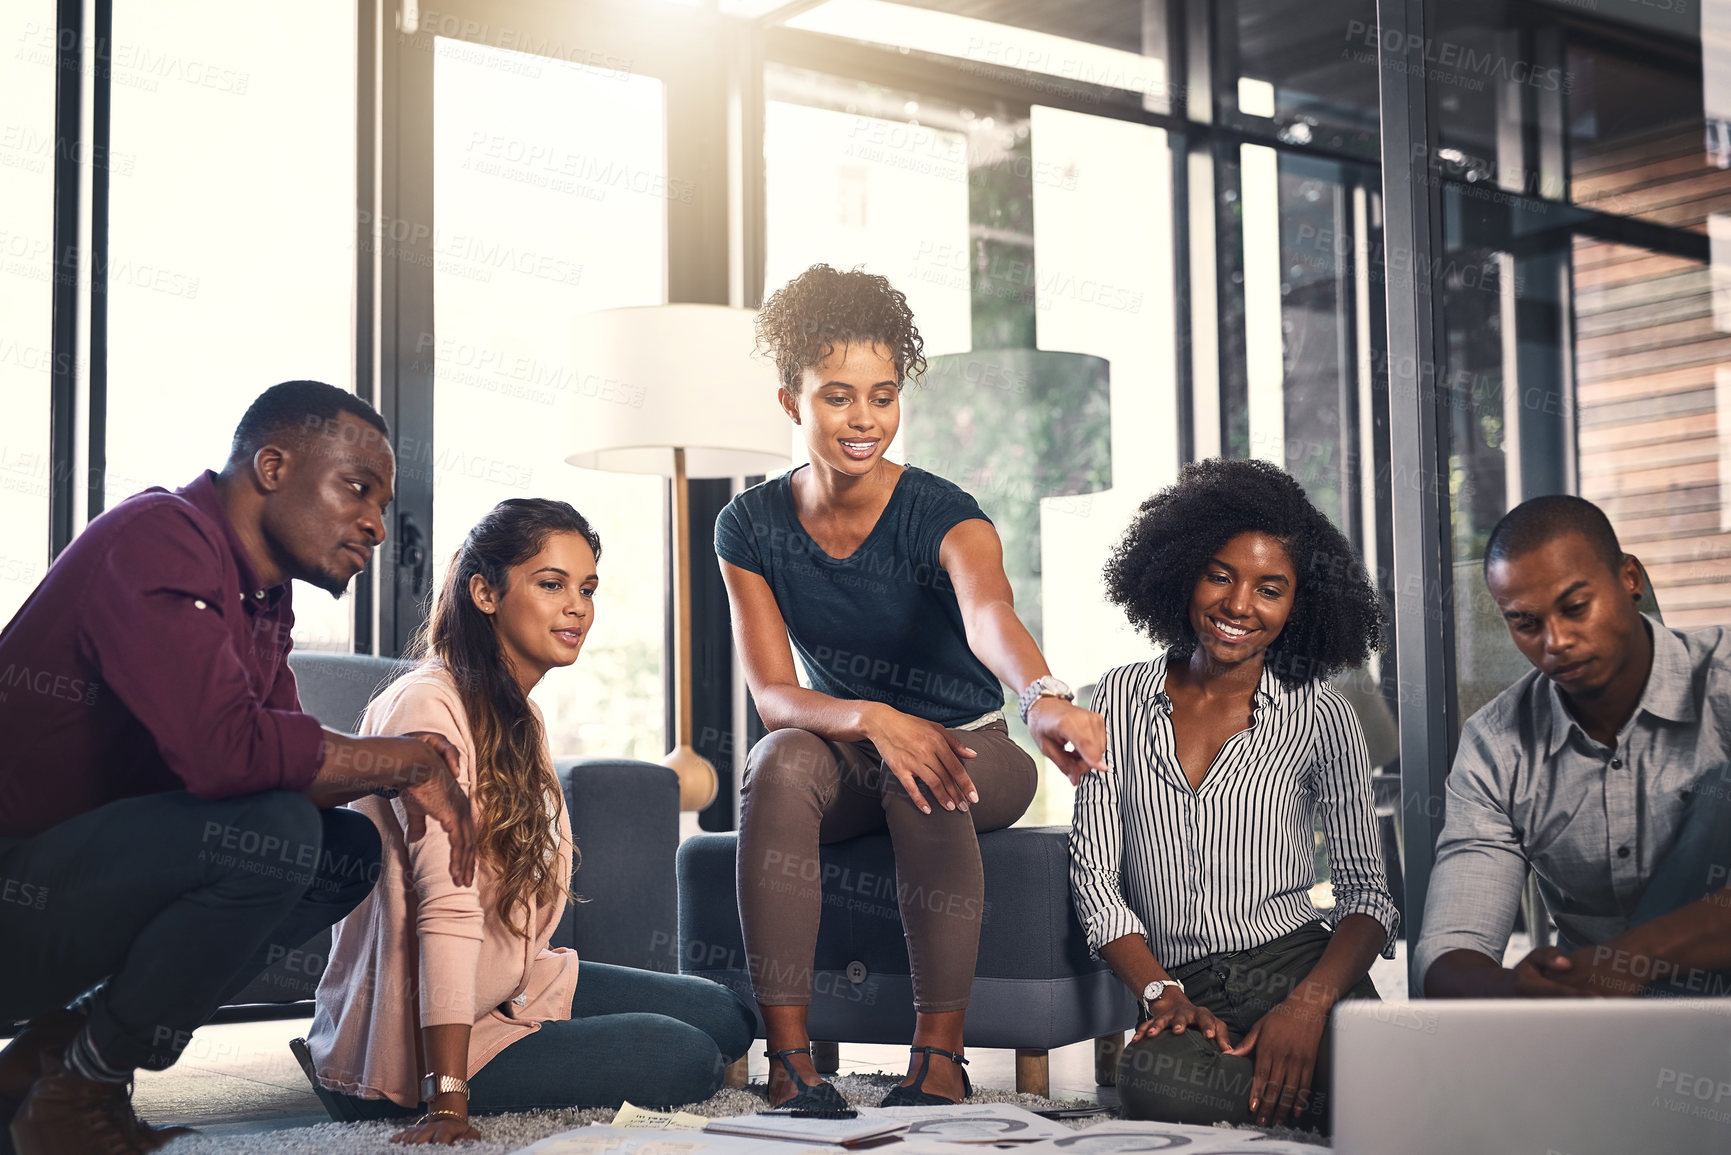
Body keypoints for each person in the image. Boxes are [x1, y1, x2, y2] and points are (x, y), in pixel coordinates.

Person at [0, 381, 476, 1155]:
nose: (377, 525)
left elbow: (277, 756)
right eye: (357, 489)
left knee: (342, 850)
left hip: (67, 894)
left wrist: (398, 770)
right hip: (16, 891)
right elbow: (226, 752)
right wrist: (402, 757)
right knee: (277, 831)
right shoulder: (158, 538)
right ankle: (76, 1093)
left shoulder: (260, 597)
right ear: (273, 465)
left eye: (383, 505)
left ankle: (57, 1059)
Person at [716, 264, 1108, 1110]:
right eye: (837, 397)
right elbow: (775, 696)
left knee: (920, 764)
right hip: (849, 746)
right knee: (779, 758)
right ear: (792, 401)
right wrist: (873, 715)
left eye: (883, 395)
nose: (864, 420)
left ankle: (938, 1056)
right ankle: (789, 1064)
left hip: (979, 746)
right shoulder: (747, 525)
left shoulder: (943, 510)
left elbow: (988, 613)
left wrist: (1039, 693)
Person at [312, 498, 755, 1142]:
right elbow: (448, 908)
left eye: (587, 589)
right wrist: (447, 1103)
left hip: (512, 989)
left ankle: (554, 1041)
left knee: (726, 1015)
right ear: (485, 593)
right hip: (414, 1044)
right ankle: (437, 1084)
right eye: (551, 585)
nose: (577, 606)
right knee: (682, 1058)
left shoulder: (520, 716)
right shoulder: (428, 708)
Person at [1070, 458, 1398, 1133]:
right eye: (1219, 574)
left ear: (1297, 604)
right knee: (1154, 1085)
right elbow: (1096, 881)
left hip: (1297, 963)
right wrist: (1159, 992)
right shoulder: (1116, 699)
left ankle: (1310, 1078)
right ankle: (1316, 1097)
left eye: (1269, 588)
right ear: (1182, 568)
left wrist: (1306, 1007)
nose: (1238, 605)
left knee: (1394, 1069)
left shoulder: (1322, 714)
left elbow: (1367, 896)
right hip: (1179, 984)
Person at [1418, 494, 1731, 999]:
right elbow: (1448, 952)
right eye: (1526, 622)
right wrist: (1515, 990)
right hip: (1599, 1029)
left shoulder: (1723, 682)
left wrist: (1625, 963)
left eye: (1575, 607)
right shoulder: (1495, 747)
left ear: (1630, 579)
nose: (1555, 641)